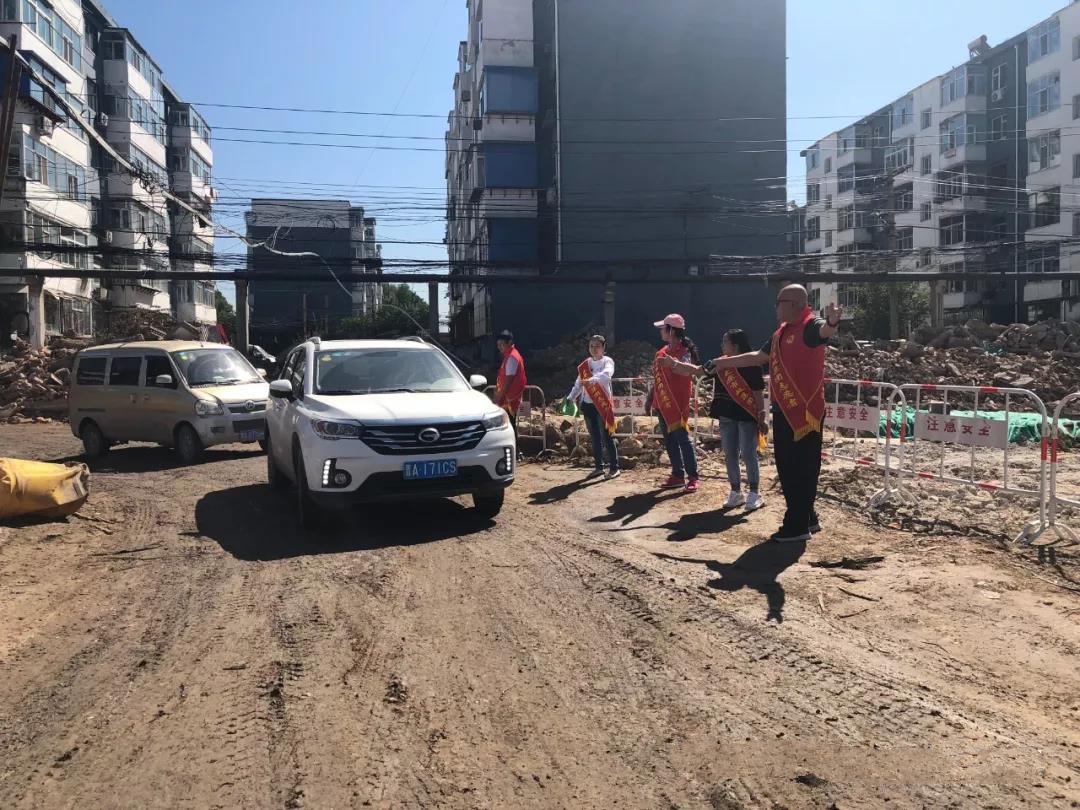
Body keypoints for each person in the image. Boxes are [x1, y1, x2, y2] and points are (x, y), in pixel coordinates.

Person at [664, 285, 841, 543]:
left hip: (803, 413)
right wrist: (721, 362)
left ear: (794, 304)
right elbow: (758, 356)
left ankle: (796, 525)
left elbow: (824, 331)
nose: (775, 307)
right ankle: (807, 517)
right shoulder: (781, 332)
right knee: (791, 467)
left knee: (800, 467)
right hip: (784, 409)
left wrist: (833, 323)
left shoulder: (809, 325)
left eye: (779, 302)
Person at [664, 329, 768, 511]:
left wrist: (762, 415)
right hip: (726, 415)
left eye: (725, 342)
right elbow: (698, 371)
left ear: (735, 346)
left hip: (746, 415)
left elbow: (758, 392)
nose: (721, 345)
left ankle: (754, 493)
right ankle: (736, 492)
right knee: (730, 454)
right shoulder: (719, 363)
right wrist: (673, 363)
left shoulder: (751, 363)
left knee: (748, 453)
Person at [647, 314, 701, 493]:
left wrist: (672, 363)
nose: (661, 331)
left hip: (677, 403)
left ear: (672, 331)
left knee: (683, 440)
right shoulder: (661, 352)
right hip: (662, 402)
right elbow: (657, 379)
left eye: (663, 328)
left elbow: (687, 372)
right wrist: (650, 397)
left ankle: (693, 477)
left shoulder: (684, 352)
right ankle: (677, 474)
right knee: (669, 441)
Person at [567, 335, 620, 480]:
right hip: (588, 404)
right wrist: (570, 397)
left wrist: (592, 380)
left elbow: (607, 375)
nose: (594, 348)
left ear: (603, 348)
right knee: (595, 438)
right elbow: (578, 384)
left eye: (597, 346)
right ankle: (599, 467)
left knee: (607, 437)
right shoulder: (585, 365)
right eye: (591, 346)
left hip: (602, 404)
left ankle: (614, 467)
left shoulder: (607, 361)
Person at [494, 329, 527, 438]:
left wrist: (499, 396)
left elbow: (508, 381)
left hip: (509, 400)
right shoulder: (509, 355)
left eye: (501, 344)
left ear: (509, 343)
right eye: (498, 345)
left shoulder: (512, 357)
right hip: (508, 399)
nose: (499, 347)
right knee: (509, 426)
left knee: (510, 428)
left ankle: (514, 447)